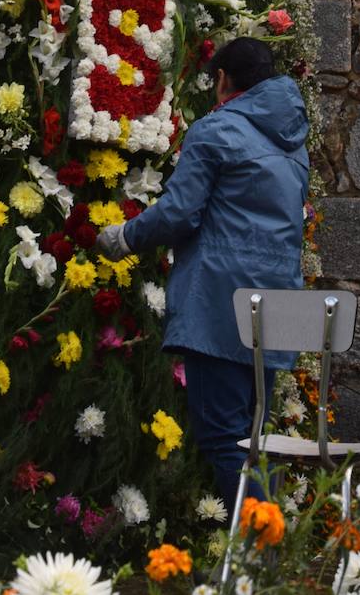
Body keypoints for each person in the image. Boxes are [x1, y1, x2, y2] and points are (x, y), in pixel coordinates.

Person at [96, 37, 309, 512]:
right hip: (281, 304)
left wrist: (125, 237)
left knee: (223, 439)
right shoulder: (295, 142)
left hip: (222, 304)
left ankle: (260, 560)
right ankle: (265, 561)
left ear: (220, 80)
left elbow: (179, 214)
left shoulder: (217, 129)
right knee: (256, 438)